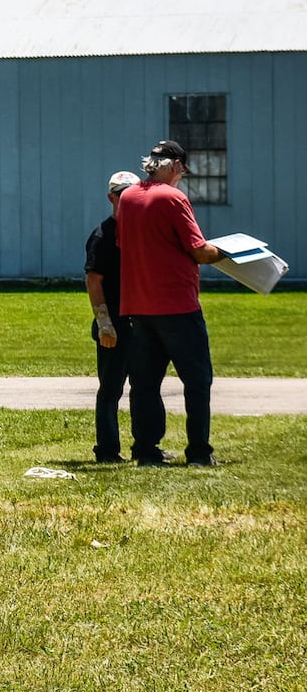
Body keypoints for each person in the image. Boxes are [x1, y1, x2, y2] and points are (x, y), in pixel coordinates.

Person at [117, 139, 226, 466]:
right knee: (197, 380)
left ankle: (146, 451)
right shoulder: (174, 197)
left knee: (145, 384)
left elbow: (126, 243)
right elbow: (198, 250)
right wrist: (229, 252)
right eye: (182, 172)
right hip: (177, 305)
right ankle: (198, 453)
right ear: (176, 166)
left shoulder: (128, 198)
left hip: (138, 303)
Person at [85, 170, 140, 462]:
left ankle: (144, 447)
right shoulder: (102, 235)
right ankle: (107, 450)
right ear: (111, 198)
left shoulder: (141, 232)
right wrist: (104, 321)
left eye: (132, 194)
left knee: (143, 386)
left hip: (141, 320)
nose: (127, 199)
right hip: (114, 322)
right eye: (121, 195)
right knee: (111, 388)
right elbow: (94, 280)